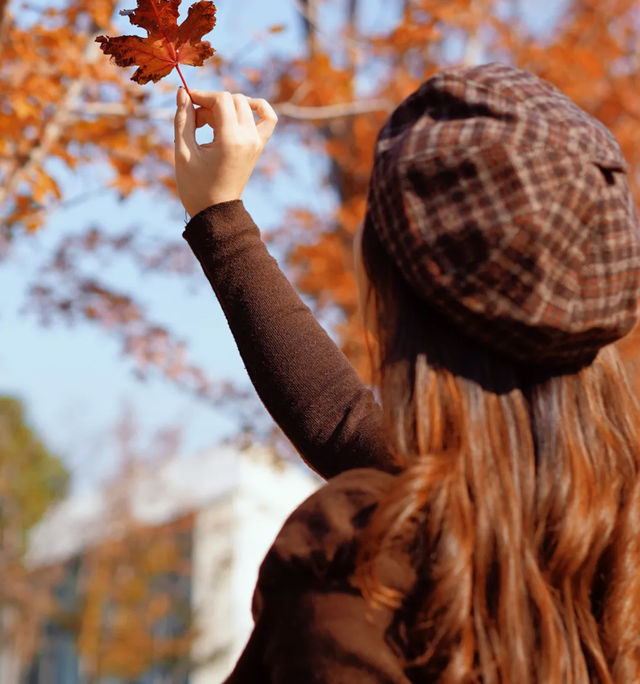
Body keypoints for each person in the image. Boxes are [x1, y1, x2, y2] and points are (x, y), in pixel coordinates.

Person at [174, 64, 640, 683]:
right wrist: (221, 217)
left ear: (394, 291)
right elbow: (346, 426)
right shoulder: (607, 526)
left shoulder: (360, 575)